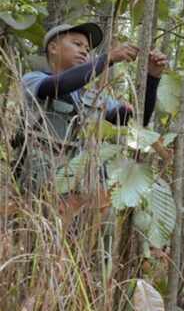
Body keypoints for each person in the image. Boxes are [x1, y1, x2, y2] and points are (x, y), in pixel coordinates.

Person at [15, 22, 165, 192]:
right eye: (77, 44)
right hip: (40, 185)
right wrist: (108, 58)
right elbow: (60, 84)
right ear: (53, 48)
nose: (84, 51)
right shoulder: (33, 79)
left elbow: (137, 118)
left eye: (87, 48)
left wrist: (152, 78)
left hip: (84, 190)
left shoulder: (94, 98)